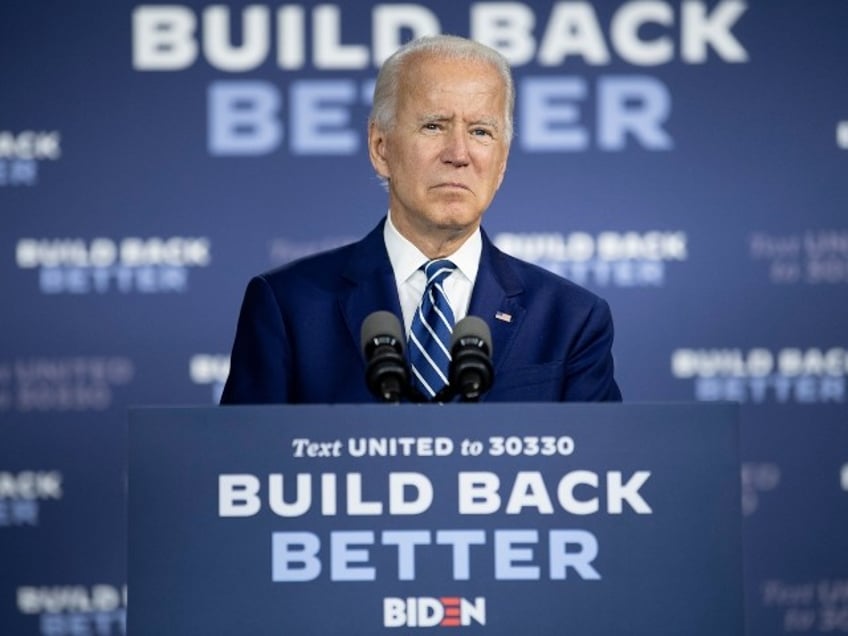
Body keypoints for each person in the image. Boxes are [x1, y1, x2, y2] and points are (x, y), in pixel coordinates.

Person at [220, 35, 622, 404]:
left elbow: (598, 470)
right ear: (381, 148)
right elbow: (246, 468)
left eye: (481, 132)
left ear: (501, 162)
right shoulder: (288, 306)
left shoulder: (571, 319)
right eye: (434, 126)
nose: (459, 154)